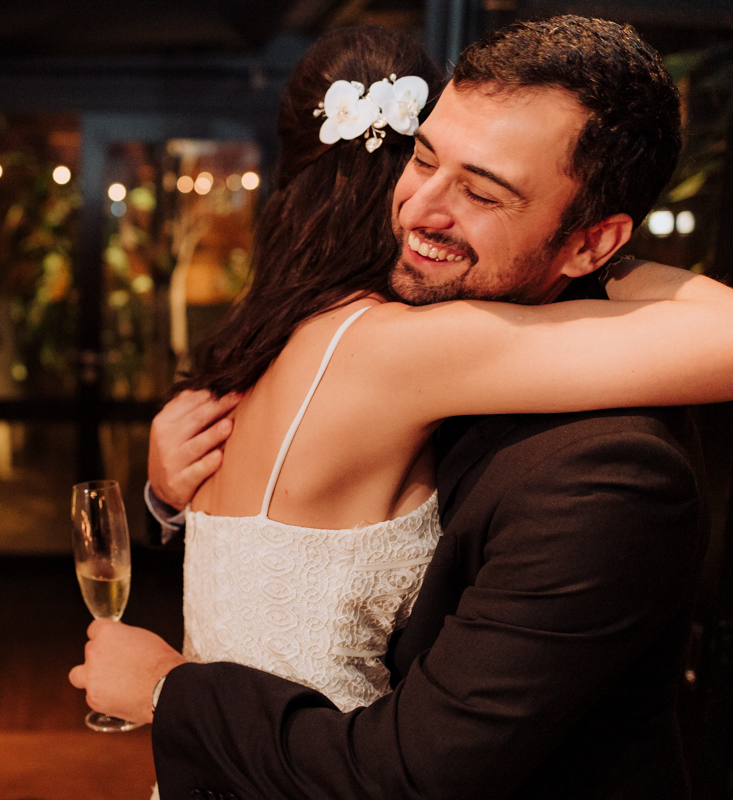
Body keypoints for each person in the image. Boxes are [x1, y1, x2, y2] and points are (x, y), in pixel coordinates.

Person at [70, 17, 722, 799]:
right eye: (422, 157)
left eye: (481, 190)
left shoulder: (604, 462)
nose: (416, 210)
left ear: (590, 241)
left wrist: (166, 692)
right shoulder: (388, 333)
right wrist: (170, 505)